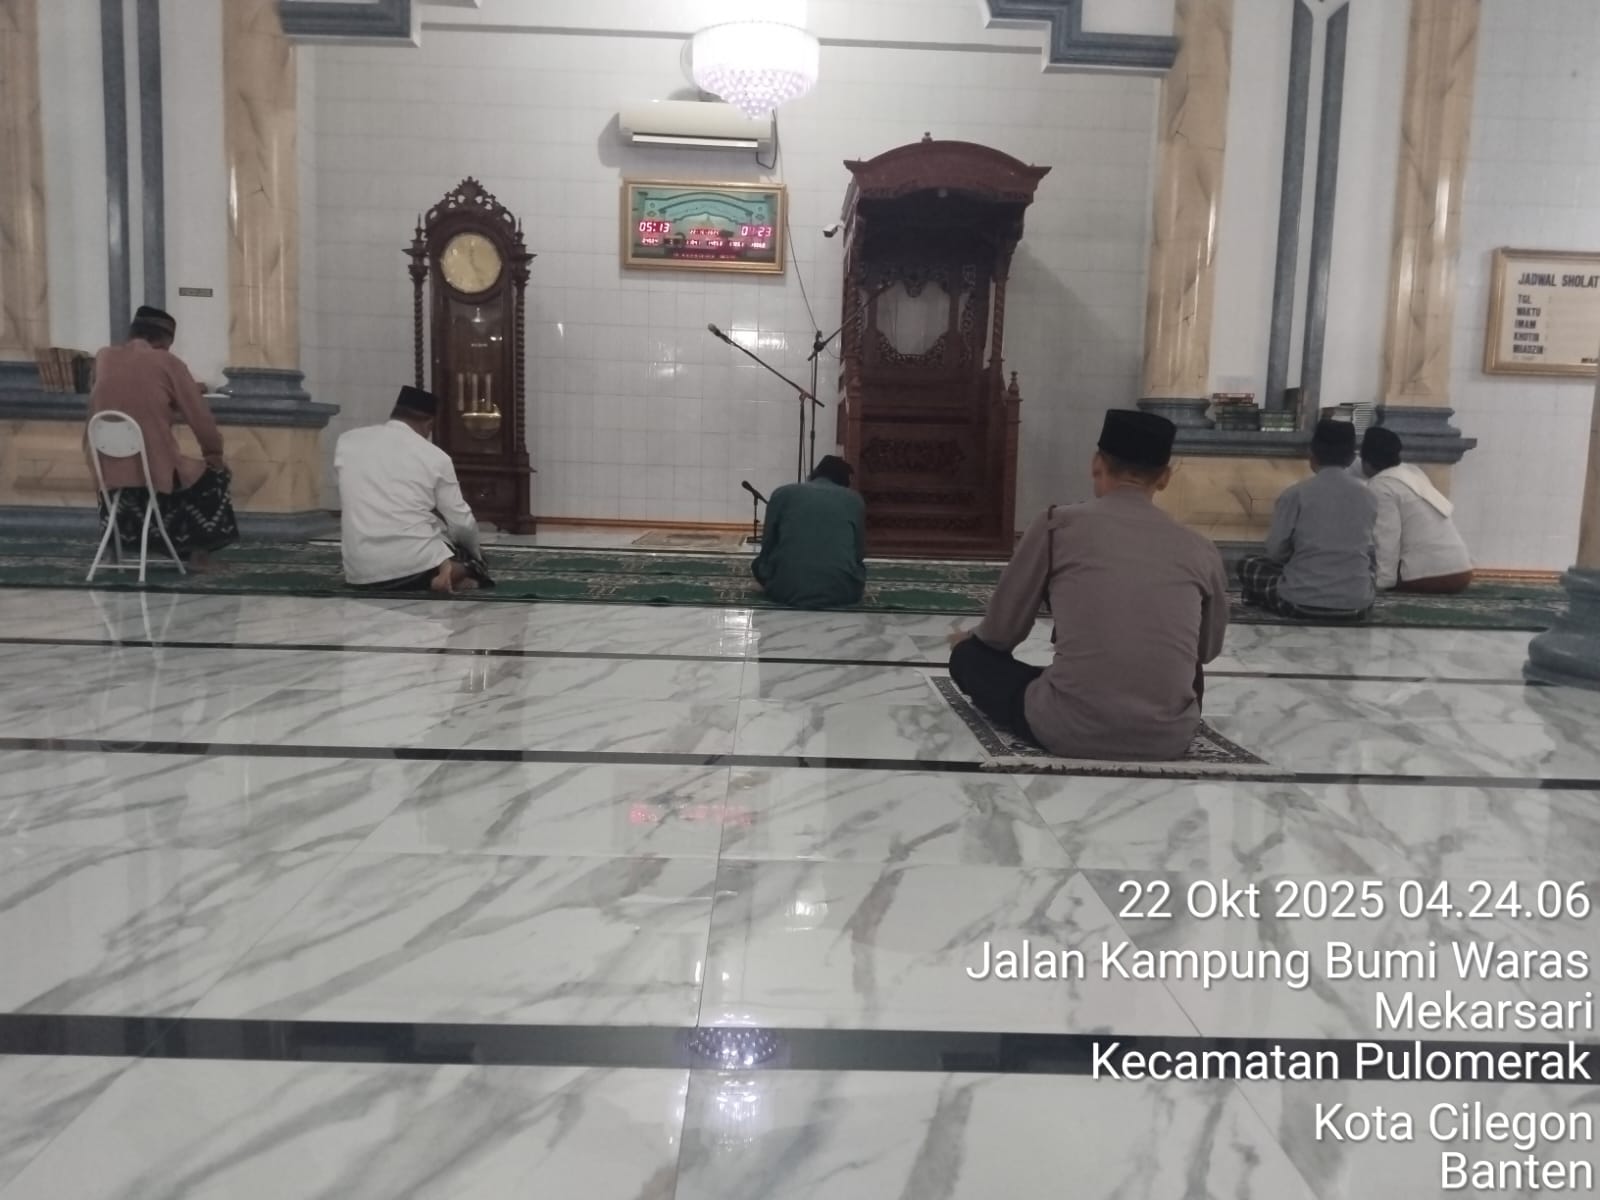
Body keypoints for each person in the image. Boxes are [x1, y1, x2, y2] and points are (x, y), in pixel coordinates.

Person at [948, 410, 1230, 762]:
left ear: (1097, 464)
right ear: (1164, 478)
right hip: (1168, 737)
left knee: (970, 658)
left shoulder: (1056, 525)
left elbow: (1000, 635)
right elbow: (1205, 651)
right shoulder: (1200, 547)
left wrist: (968, 642)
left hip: (1067, 728)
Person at [86, 305, 238, 568]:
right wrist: (214, 454)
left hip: (105, 467)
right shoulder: (168, 363)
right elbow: (201, 420)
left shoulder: (103, 357)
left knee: (123, 476)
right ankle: (197, 556)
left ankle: (113, 545)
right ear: (164, 341)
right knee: (214, 474)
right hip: (154, 468)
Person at [334, 386, 487, 594]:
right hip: (417, 566)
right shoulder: (436, 457)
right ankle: (446, 574)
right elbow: (462, 523)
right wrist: (475, 552)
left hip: (359, 572)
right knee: (473, 563)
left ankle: (441, 575)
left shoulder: (347, 442)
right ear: (429, 424)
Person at [1238, 419, 1376, 620]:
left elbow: (1275, 552)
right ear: (1351, 458)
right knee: (1368, 568)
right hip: (1356, 605)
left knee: (1248, 563)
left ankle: (1261, 599)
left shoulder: (1295, 494)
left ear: (1312, 454)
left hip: (1299, 602)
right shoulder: (1369, 496)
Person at [1360, 426, 1474, 594]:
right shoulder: (1412, 472)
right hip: (1463, 570)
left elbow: (1387, 538)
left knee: (1359, 575)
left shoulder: (1381, 485)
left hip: (1431, 575)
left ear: (1367, 461)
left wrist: (1383, 582)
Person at [752, 455, 867, 609]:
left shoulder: (782, 493)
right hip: (843, 592)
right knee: (858, 569)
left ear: (815, 473)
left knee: (758, 564)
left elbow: (767, 545)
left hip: (784, 589)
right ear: (844, 483)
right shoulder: (854, 500)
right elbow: (859, 554)